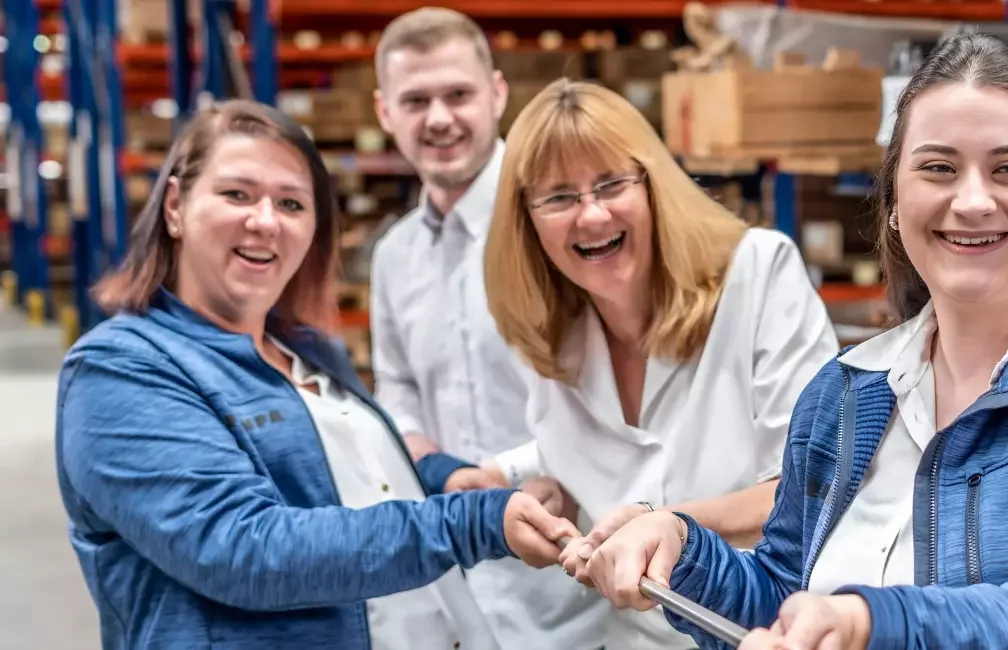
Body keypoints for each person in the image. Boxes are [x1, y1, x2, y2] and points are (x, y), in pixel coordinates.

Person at [582, 33, 1008, 650]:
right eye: (938, 168)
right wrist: (683, 549)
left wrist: (869, 623)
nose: (973, 200)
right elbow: (782, 601)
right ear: (893, 202)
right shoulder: (845, 392)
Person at [52, 99, 578, 650]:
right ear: (176, 207)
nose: (265, 221)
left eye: (291, 203)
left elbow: (340, 474)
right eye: (237, 194)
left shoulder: (305, 349)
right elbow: (239, 548)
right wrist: (469, 522)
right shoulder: (121, 369)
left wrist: (442, 478)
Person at [479, 78, 842, 649]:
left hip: (763, 630)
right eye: (559, 197)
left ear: (653, 185)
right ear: (526, 220)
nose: (592, 215)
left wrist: (666, 525)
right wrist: (527, 486)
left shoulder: (758, 274)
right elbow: (594, 455)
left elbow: (809, 489)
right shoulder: (553, 330)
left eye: (611, 184)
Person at [366, 8, 603, 648]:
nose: (439, 118)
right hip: (455, 581)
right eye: (416, 100)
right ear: (384, 112)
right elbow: (396, 389)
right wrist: (442, 471)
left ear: (497, 94)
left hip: (578, 581)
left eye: (458, 94)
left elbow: (619, 387)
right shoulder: (394, 256)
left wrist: (524, 471)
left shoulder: (563, 226)